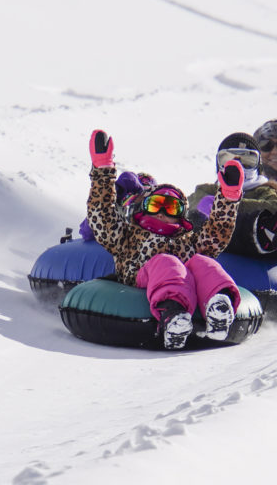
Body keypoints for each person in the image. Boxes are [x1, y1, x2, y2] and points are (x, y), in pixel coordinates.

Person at [86, 129, 245, 350]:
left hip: (184, 282)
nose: (161, 211)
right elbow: (101, 216)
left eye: (171, 207)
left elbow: (217, 235)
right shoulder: (128, 235)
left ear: (181, 215)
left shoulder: (187, 240)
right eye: (155, 204)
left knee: (203, 262)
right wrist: (103, 170)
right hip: (141, 280)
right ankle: (173, 315)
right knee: (166, 261)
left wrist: (228, 198)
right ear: (143, 208)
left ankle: (218, 306)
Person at [188, 132, 277, 257]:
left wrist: (226, 203)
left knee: (264, 223)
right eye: (228, 159)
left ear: (258, 165)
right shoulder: (208, 190)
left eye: (248, 160)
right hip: (219, 243)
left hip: (258, 247)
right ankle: (273, 231)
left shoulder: (265, 189)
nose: (238, 166)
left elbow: (273, 205)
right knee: (200, 220)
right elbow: (193, 204)